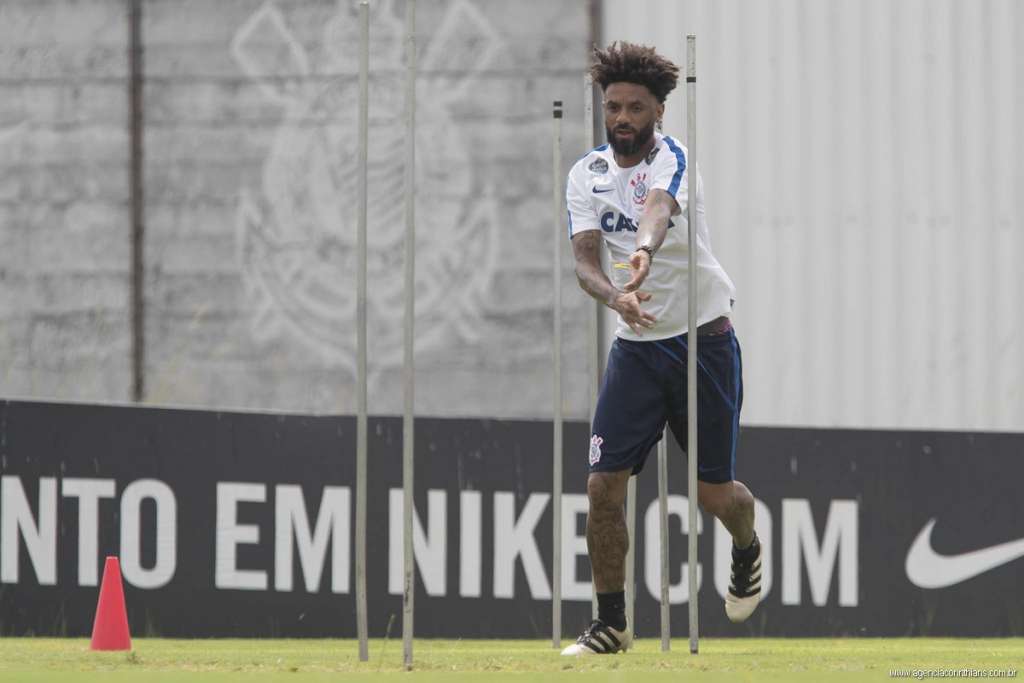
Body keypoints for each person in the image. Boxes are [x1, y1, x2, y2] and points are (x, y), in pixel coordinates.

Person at [560, 42, 761, 656]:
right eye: (613, 106)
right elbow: (586, 264)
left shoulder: (672, 160)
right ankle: (613, 623)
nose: (621, 117)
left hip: (702, 339)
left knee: (714, 494)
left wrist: (644, 252)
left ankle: (748, 548)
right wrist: (614, 298)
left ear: (658, 114)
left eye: (635, 108)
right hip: (638, 343)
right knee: (601, 486)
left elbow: (657, 211)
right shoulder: (585, 174)